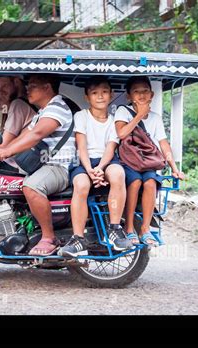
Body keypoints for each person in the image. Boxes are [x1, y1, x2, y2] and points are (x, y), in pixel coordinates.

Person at [0, 74, 76, 256]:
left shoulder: (57, 108)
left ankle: (48, 237)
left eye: (33, 85)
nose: (27, 89)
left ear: (47, 87)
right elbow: (24, 135)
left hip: (58, 168)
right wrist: (1, 151)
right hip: (45, 166)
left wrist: (7, 151)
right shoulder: (43, 111)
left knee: (31, 187)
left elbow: (36, 134)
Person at [58, 77, 132, 258]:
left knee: (118, 173)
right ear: (87, 97)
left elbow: (110, 147)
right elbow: (81, 146)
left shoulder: (114, 121)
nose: (100, 96)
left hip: (105, 161)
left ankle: (114, 229)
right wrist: (90, 170)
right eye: (94, 93)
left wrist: (100, 168)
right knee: (81, 185)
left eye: (104, 92)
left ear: (111, 95)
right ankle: (78, 238)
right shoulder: (81, 116)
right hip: (83, 162)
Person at [114, 76, 185, 247]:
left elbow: (163, 144)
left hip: (147, 162)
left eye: (145, 91)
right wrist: (139, 115)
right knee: (135, 181)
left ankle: (145, 229)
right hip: (128, 161)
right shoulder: (123, 111)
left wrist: (174, 168)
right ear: (129, 96)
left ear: (152, 94)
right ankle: (129, 228)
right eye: (136, 92)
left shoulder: (155, 117)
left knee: (151, 182)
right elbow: (121, 134)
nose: (141, 95)